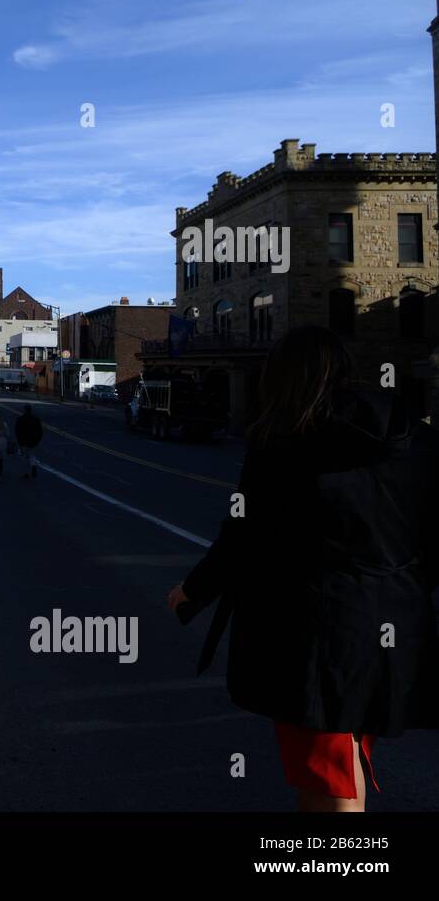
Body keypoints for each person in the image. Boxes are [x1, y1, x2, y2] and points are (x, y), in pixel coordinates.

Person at [168, 327, 439, 812]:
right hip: (393, 625)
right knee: (345, 754)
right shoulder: (413, 438)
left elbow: (241, 535)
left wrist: (191, 591)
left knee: (325, 771)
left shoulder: (284, 442)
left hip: (317, 632)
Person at [15, 404, 42, 477]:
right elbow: (40, 431)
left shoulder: (20, 419)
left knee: (25, 457)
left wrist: (19, 441)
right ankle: (33, 467)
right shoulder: (36, 419)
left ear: (25, 410)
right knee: (32, 455)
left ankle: (26, 473)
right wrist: (38, 440)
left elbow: (17, 431)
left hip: (24, 441)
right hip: (33, 441)